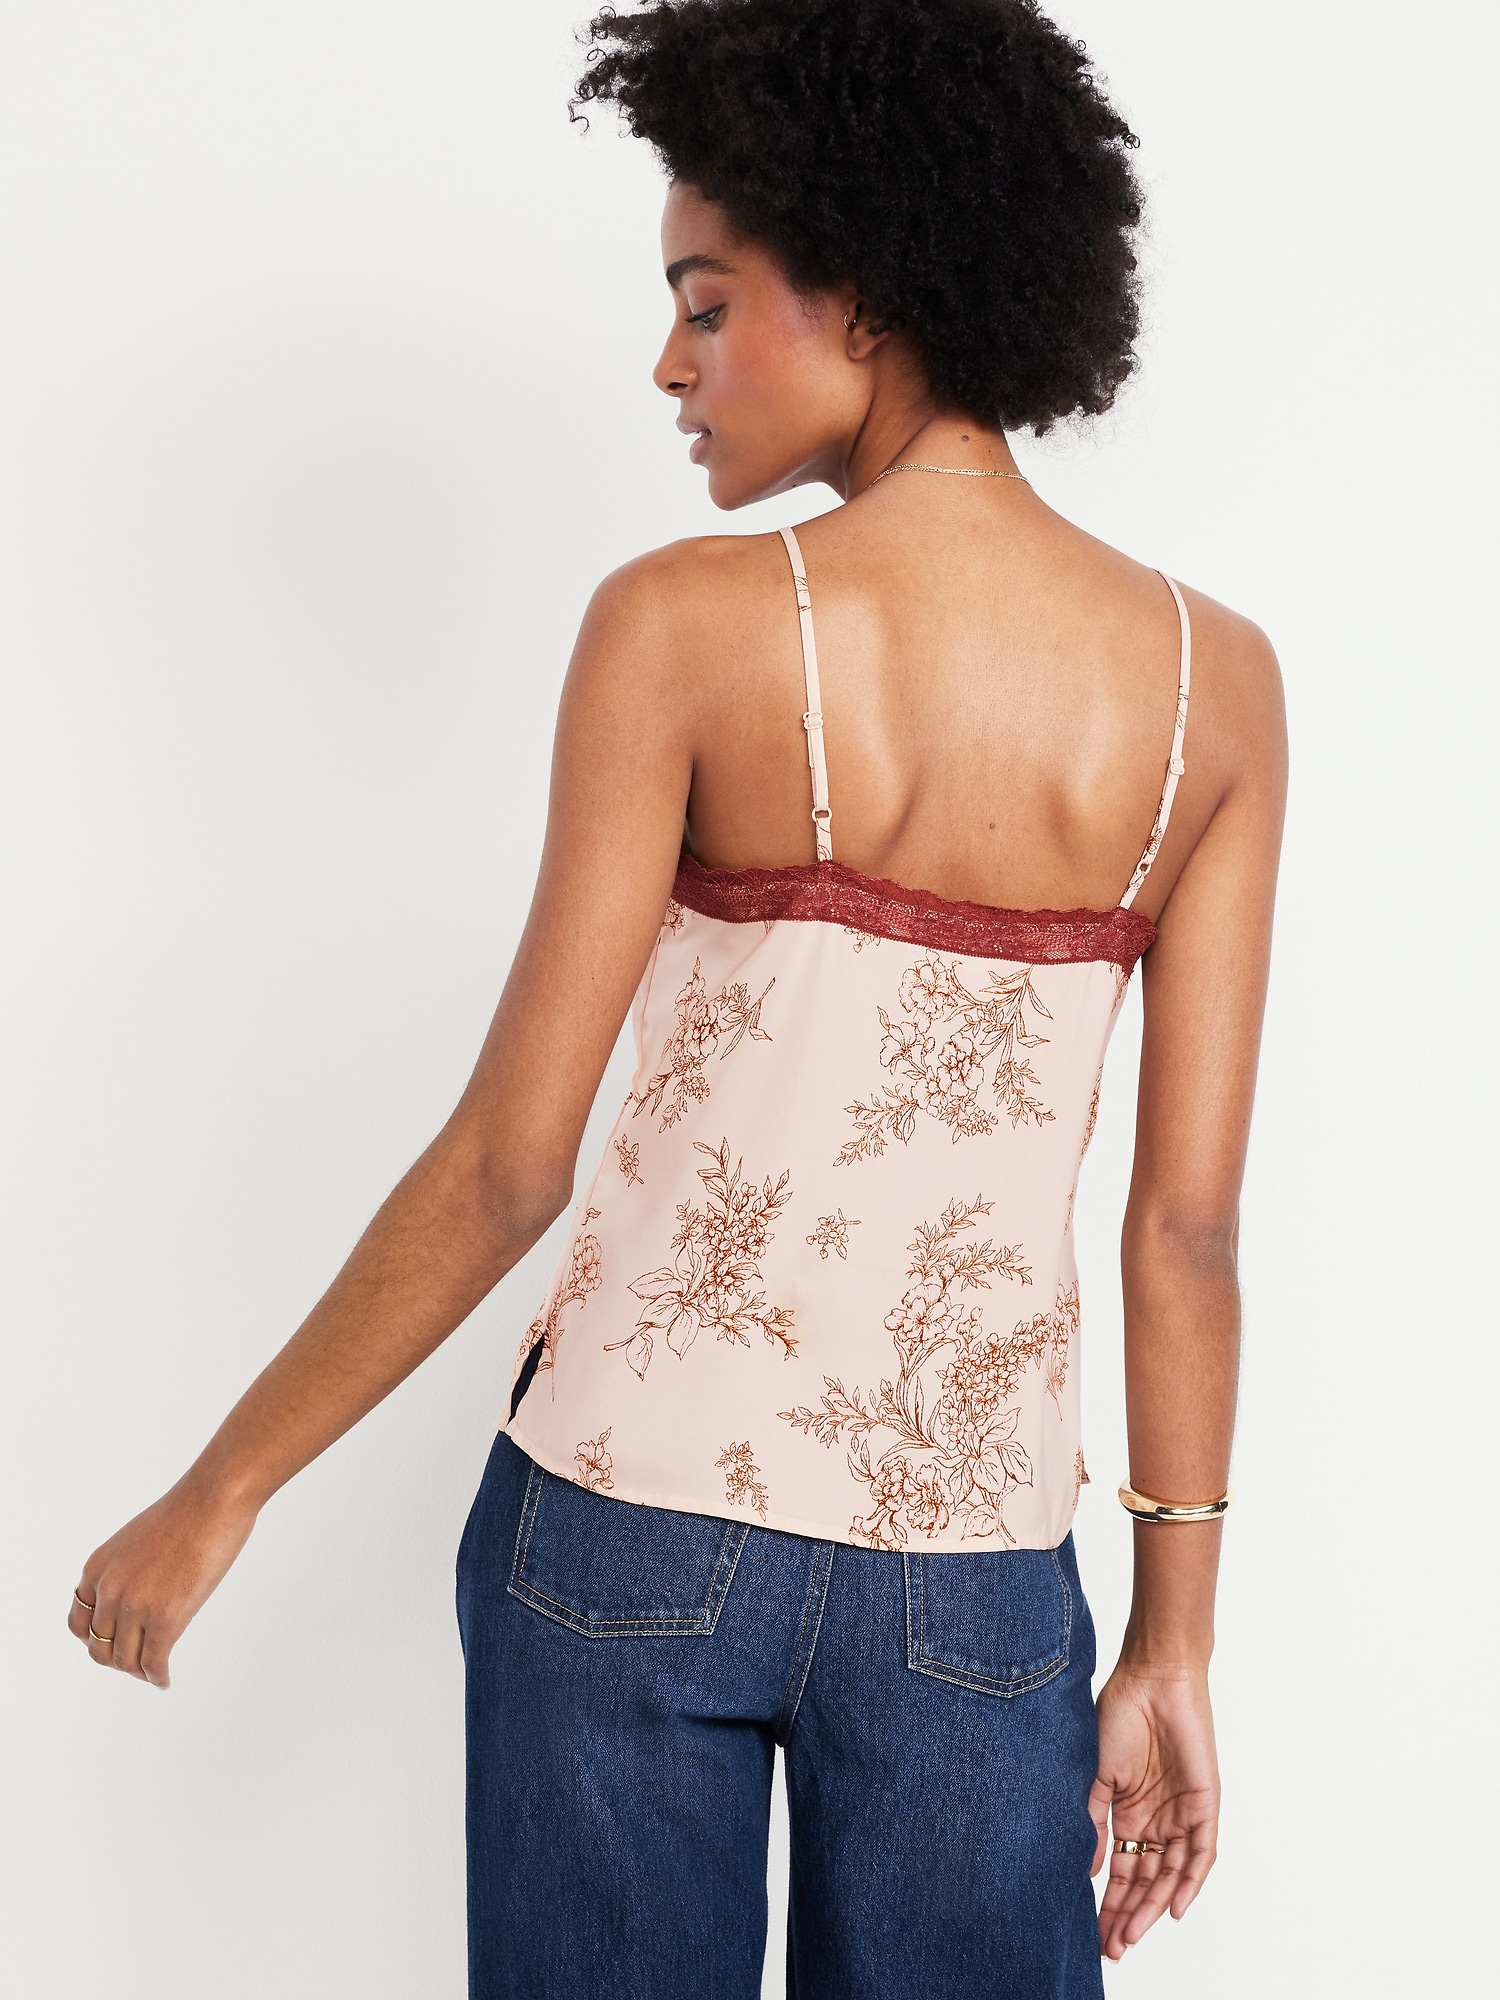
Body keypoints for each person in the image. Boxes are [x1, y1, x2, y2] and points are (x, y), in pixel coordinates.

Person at [68, 2, 1286, 1993]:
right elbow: (1190, 1228)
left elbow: (508, 1158)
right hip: (976, 1586)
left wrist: (224, 1489)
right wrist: (1175, 1639)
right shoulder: (1208, 688)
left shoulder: (682, 628)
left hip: (620, 1526)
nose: (670, 364)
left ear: (867, 293)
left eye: (706, 305)